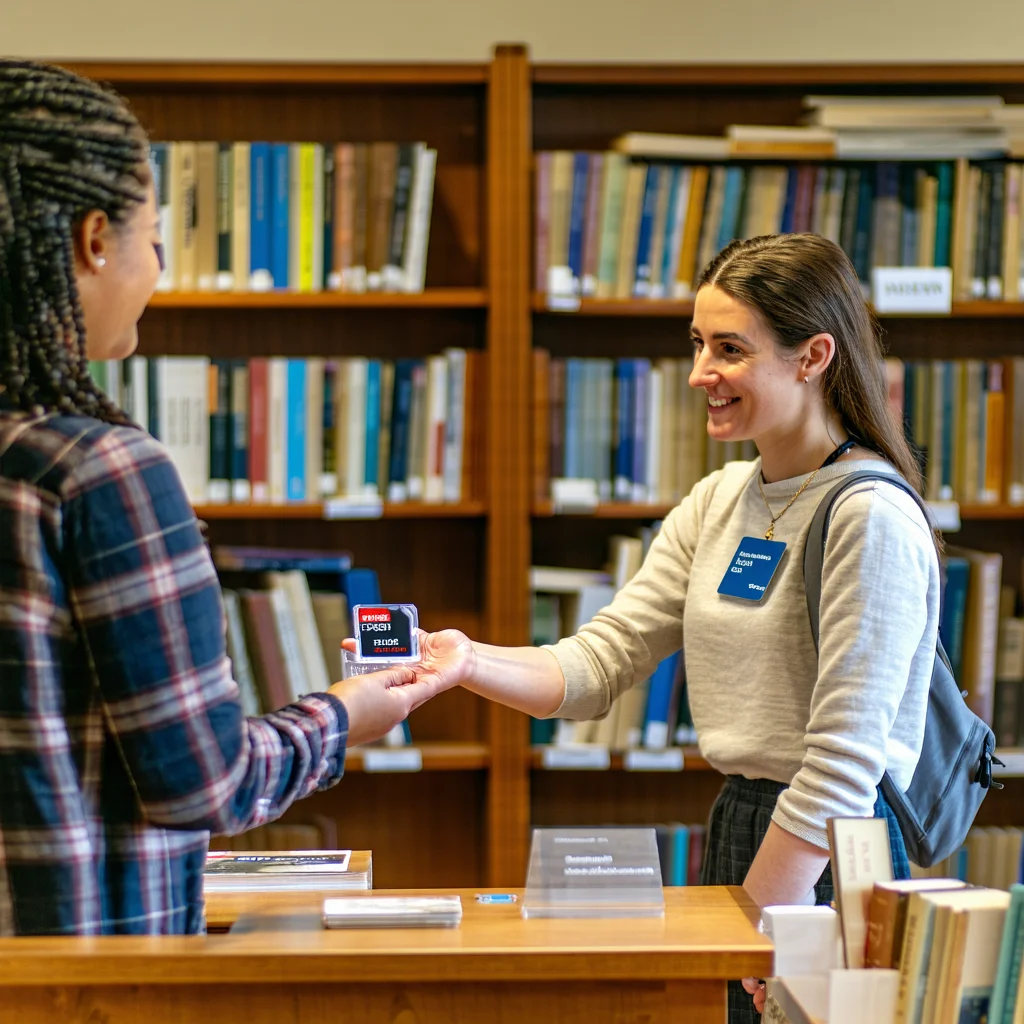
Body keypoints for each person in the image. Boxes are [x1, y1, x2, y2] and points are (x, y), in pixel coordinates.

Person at [399, 233, 940, 1022]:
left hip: (832, 846)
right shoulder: (719, 501)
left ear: (812, 355)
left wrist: (759, 925)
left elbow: (844, 764)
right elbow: (598, 665)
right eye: (697, 345)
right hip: (743, 821)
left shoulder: (870, 514)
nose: (700, 376)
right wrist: (463, 661)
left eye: (729, 349)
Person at [0, 60, 446, 937]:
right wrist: (346, 716)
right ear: (96, 240)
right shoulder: (97, 469)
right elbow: (202, 780)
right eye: (154, 236)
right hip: (78, 977)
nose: (158, 267)